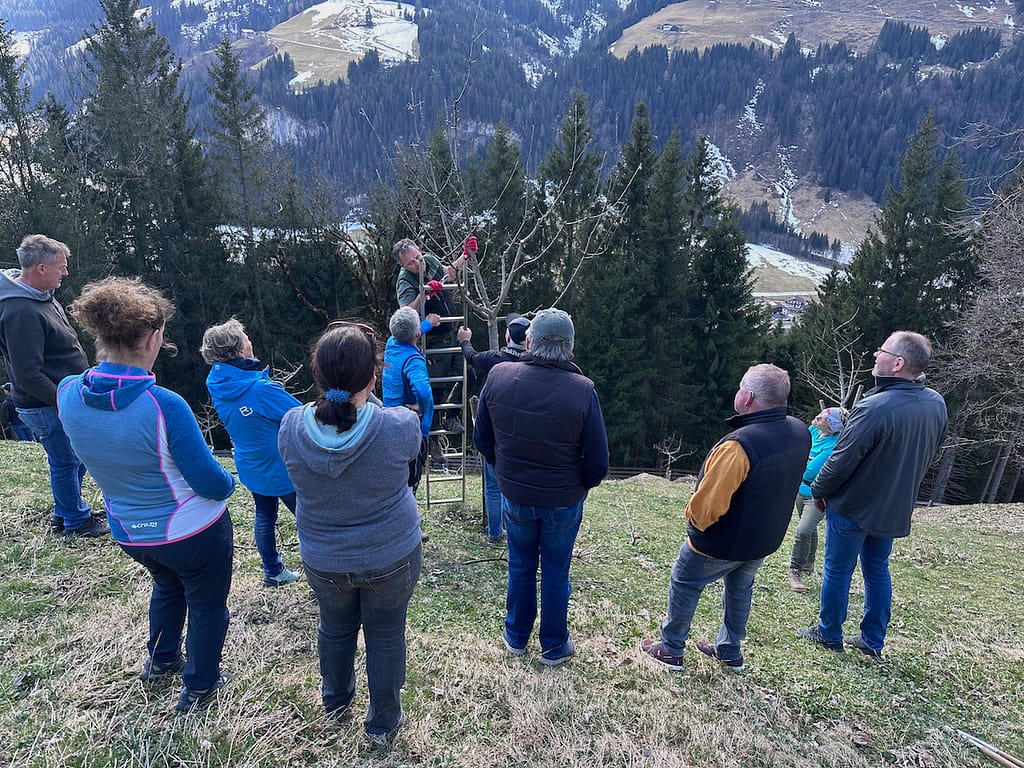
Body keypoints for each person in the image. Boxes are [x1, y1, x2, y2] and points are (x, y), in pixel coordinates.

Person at [56, 278, 236, 713]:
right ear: (153, 338)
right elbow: (212, 483)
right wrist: (231, 484)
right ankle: (200, 686)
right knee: (207, 604)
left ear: (99, 336)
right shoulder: (165, 405)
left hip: (130, 532)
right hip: (190, 532)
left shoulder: (67, 393)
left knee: (167, 585)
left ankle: (161, 659)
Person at [277, 321, 422, 747]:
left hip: (324, 557)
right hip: (391, 555)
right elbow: (397, 449)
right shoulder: (399, 426)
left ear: (316, 375)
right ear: (374, 374)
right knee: (386, 633)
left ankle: (336, 702)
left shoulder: (290, 426)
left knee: (335, 629)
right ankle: (382, 724)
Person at [640, 364, 810, 673]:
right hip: (764, 539)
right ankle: (730, 650)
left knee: (685, 582)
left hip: (721, 541)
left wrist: (695, 527)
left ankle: (671, 648)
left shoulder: (739, 445)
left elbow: (707, 508)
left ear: (747, 397)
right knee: (740, 588)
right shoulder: (800, 431)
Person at [798, 332, 947, 659]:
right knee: (877, 568)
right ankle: (872, 641)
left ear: (897, 363)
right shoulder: (936, 404)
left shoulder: (874, 407)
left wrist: (820, 491)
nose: (874, 356)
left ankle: (829, 634)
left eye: (880, 351)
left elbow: (841, 461)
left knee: (837, 569)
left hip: (853, 506)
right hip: (894, 507)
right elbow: (930, 453)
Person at [473, 308, 609, 666]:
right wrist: (578, 486)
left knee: (519, 565)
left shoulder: (499, 376)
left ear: (529, 341)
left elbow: (481, 439)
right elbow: (598, 463)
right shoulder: (583, 391)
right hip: (563, 500)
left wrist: (505, 471)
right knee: (555, 570)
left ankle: (516, 636)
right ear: (570, 348)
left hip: (515, 496)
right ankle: (553, 645)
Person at [0, 234, 105, 537]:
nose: (66, 272)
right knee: (66, 460)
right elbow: (27, 374)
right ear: (41, 268)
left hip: (60, 398)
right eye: (61, 266)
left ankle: (65, 511)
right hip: (46, 404)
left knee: (75, 457)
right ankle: (74, 521)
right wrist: (64, 401)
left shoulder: (38, 296)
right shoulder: (22, 311)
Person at [201, 318, 302, 588]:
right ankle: (324, 572)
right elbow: (303, 416)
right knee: (309, 519)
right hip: (283, 467)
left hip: (251, 463)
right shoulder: (260, 390)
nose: (250, 341)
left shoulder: (218, 384)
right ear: (238, 350)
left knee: (265, 514)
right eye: (246, 338)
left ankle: (272, 570)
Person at [457, 312, 530, 544]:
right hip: (521, 434)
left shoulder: (494, 359)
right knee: (515, 485)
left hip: (495, 431)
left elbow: (471, 357)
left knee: (492, 486)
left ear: (507, 335)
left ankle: (494, 533)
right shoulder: (533, 363)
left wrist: (464, 340)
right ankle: (515, 532)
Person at [393, 237, 472, 433]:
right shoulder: (404, 281)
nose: (417, 264)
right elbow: (406, 314)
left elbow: (449, 274)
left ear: (420, 251)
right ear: (403, 265)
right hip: (433, 341)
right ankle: (434, 439)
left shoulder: (429, 260)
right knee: (435, 390)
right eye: (410, 263)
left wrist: (465, 255)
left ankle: (451, 416)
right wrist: (424, 294)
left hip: (452, 333)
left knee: (469, 371)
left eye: (417, 257)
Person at [787, 406, 847, 593]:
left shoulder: (833, 445)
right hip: (799, 489)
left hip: (817, 495)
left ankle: (795, 570)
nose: (817, 417)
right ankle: (808, 563)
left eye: (822, 418)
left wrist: (795, 462)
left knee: (803, 530)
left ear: (831, 426)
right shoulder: (813, 430)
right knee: (809, 530)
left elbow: (811, 471)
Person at [382, 307, 439, 493]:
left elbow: (408, 333)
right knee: (409, 482)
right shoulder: (413, 360)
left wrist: (428, 324)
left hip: (389, 420)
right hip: (410, 429)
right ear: (416, 333)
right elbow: (423, 392)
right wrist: (420, 407)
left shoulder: (391, 344)